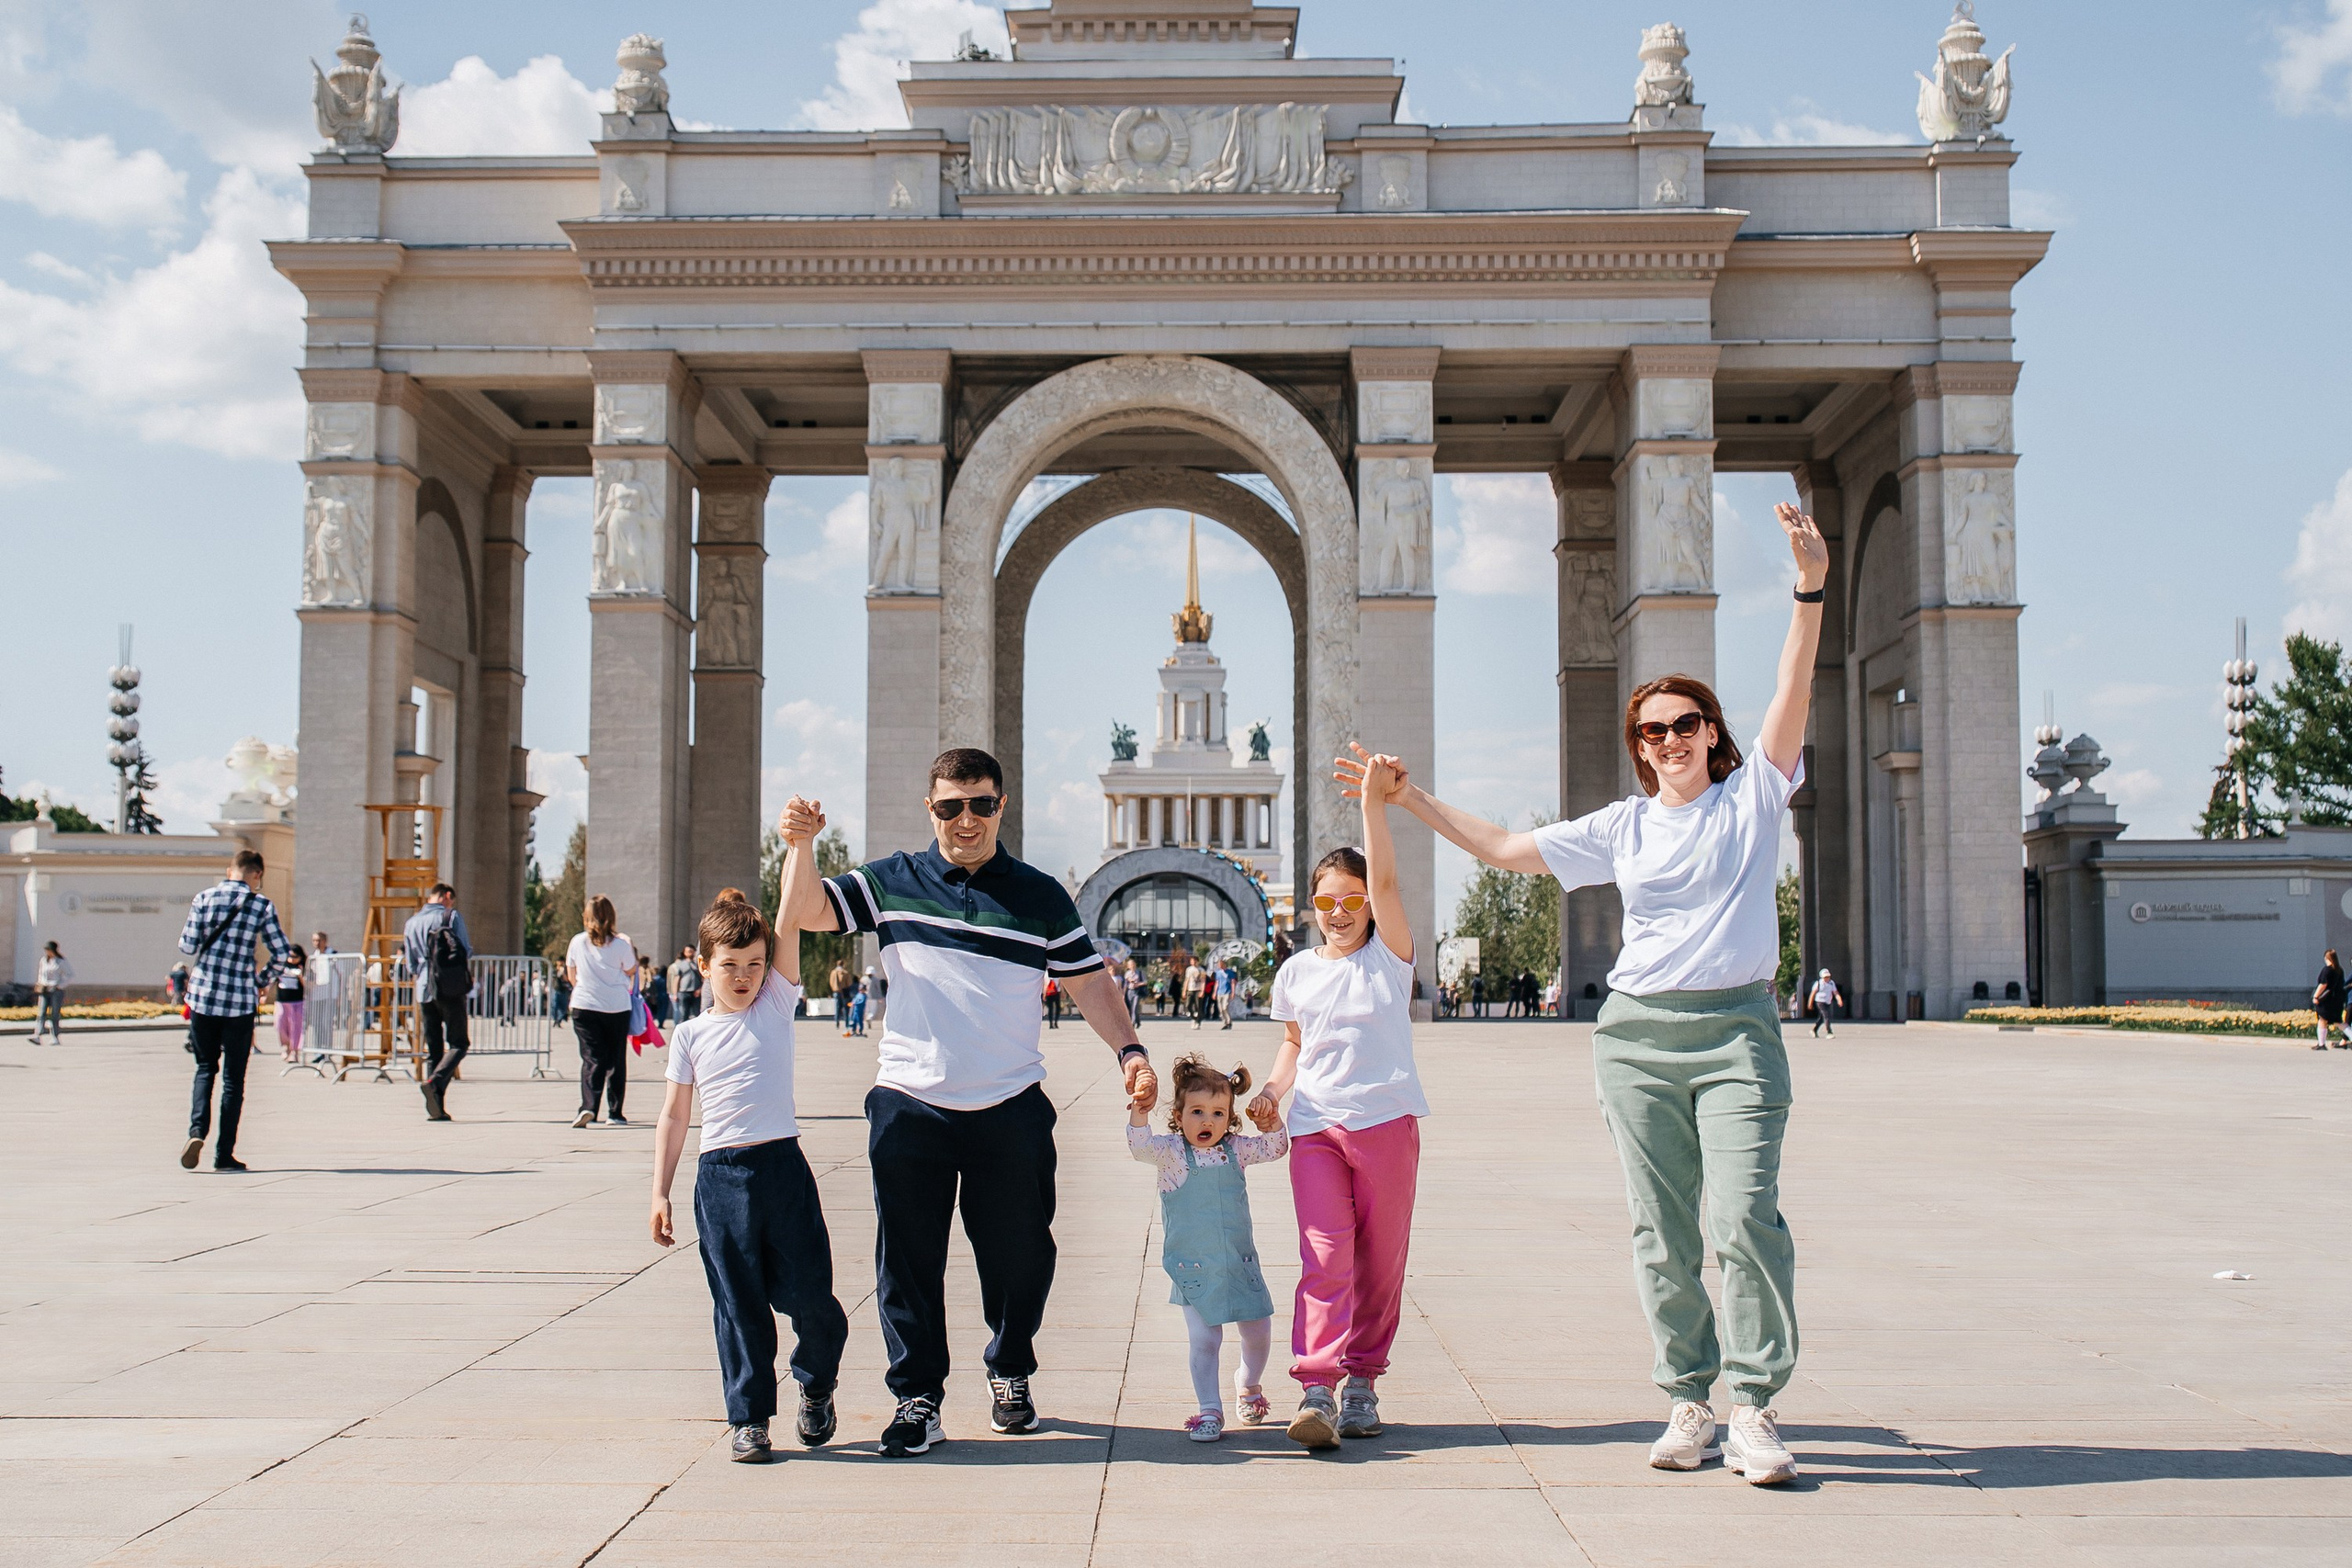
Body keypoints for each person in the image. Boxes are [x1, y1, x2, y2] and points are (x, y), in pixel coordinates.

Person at [1357, 499, 1828, 1487]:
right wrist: (1409, 800)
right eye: (1651, 731)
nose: (1668, 741)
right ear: (1638, 745)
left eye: (1685, 725)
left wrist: (1808, 587)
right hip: (1637, 1038)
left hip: (1737, 1031)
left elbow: (1794, 682)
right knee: (1662, 1230)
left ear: (1712, 732)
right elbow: (1499, 849)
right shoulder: (1621, 827)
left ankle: (1755, 1406)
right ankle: (1688, 1399)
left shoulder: (1755, 794)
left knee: (1743, 1219)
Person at [779, 747, 1157, 1457]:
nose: (966, 819)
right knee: (908, 1263)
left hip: (1009, 1103)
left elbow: (1089, 982)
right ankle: (917, 1397)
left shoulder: (1039, 894)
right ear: (932, 810)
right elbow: (805, 910)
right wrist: (799, 845)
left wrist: (1130, 1051)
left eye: (980, 803)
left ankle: (1010, 1366)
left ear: (1000, 806)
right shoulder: (894, 879)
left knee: (1022, 1257)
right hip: (910, 1103)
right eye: (950, 805)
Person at [650, 834, 851, 1465]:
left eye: (754, 964)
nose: (743, 976)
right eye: (730, 964)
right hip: (721, 1178)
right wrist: (659, 1190)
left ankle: (816, 1384)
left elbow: (792, 911)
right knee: (737, 1306)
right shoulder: (689, 1034)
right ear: (702, 964)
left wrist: (801, 844)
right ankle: (750, 1418)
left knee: (815, 1301)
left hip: (782, 1170)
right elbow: (676, 1114)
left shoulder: (774, 1008)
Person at [1249, 754, 1426, 1450]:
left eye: (1354, 900)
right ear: (1311, 906)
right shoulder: (1296, 971)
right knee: (1325, 1256)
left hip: (1386, 1125)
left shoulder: (1392, 957)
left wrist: (1373, 808)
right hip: (1317, 1127)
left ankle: (1363, 1382)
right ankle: (1317, 1384)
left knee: (1380, 1262)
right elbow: (1296, 1042)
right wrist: (1270, 1089)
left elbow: (1382, 876)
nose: (1343, 912)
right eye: (1327, 901)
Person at [1128, 1055, 1288, 1441]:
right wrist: (1139, 1109)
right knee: (1206, 1339)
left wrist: (1270, 1121)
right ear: (1179, 1115)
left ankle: (1249, 1385)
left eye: (1218, 1113)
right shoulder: (1170, 1153)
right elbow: (1139, 1146)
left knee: (1259, 1331)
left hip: (1239, 1263)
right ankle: (1209, 1409)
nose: (1207, 1121)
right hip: (1193, 1269)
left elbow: (1277, 1147)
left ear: (1230, 1118)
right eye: (1197, 1112)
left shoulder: (1235, 1149)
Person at [175, 849, 292, 1173]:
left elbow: (186, 945)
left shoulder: (204, 897)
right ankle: (224, 1154)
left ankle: (197, 1131)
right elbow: (282, 953)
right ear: (258, 874)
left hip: (203, 997)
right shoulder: (261, 905)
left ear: (231, 871)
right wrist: (260, 981)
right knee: (233, 1080)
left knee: (204, 1068)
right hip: (239, 1001)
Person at [566, 895, 639, 1128]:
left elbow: (571, 975)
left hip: (585, 1004)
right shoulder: (621, 943)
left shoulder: (577, 942)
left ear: (586, 917)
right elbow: (630, 970)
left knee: (591, 1057)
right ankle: (615, 1113)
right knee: (616, 1058)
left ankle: (588, 1106)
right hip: (616, 1006)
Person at [402, 883, 474, 1122]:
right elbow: (465, 949)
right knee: (459, 1043)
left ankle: (436, 1106)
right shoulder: (450, 916)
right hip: (449, 987)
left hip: (424, 989)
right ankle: (435, 1082)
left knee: (433, 1049)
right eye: (450, 900)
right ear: (446, 896)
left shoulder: (411, 922)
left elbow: (410, 962)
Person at [32, 940, 71, 1045]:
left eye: (48, 950)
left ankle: (55, 1037)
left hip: (55, 990)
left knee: (54, 1014)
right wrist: (40, 984)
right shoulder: (44, 960)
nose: (47, 952)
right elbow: (41, 974)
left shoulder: (61, 961)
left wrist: (59, 985)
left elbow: (69, 975)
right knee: (41, 1013)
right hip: (44, 989)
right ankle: (37, 1035)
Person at [275, 945, 308, 1063]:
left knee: (296, 1027)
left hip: (297, 1001)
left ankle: (294, 1051)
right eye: (290, 956)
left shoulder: (303, 967)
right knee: (280, 1025)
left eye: (295, 956)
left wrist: (301, 977)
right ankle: (286, 1046)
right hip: (282, 1001)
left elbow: (308, 986)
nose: (292, 959)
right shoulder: (281, 966)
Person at [2313, 951, 2346, 1051]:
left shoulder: (2327, 970)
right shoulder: (2339, 970)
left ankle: (2321, 1044)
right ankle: (2321, 1043)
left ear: (2327, 958)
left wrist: (2316, 996)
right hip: (2337, 999)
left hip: (2327, 1000)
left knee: (2323, 1019)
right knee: (2338, 1022)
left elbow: (2323, 984)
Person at [671, 946, 703, 1023]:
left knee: (697, 1014)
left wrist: (700, 990)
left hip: (696, 992)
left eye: (692, 951)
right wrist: (675, 994)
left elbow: (703, 978)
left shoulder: (698, 964)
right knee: (684, 1014)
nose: (690, 953)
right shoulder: (680, 964)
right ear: (684, 953)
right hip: (684, 992)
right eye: (688, 951)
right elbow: (677, 980)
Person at [1809, 969, 1845, 1038]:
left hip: (1827, 1001)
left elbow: (1835, 992)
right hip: (1820, 1001)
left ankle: (1814, 1030)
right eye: (1825, 977)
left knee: (1822, 1018)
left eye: (1828, 977)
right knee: (1826, 1015)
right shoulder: (1818, 983)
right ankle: (1829, 1032)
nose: (1827, 978)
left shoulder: (1831, 983)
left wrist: (1839, 1000)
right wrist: (1810, 1003)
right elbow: (1813, 994)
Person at [829, 960, 854, 1035]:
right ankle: (846, 1024)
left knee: (837, 1007)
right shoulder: (845, 973)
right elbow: (849, 983)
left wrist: (834, 988)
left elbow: (831, 982)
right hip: (844, 992)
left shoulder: (833, 972)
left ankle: (837, 1023)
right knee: (846, 1008)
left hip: (836, 991)